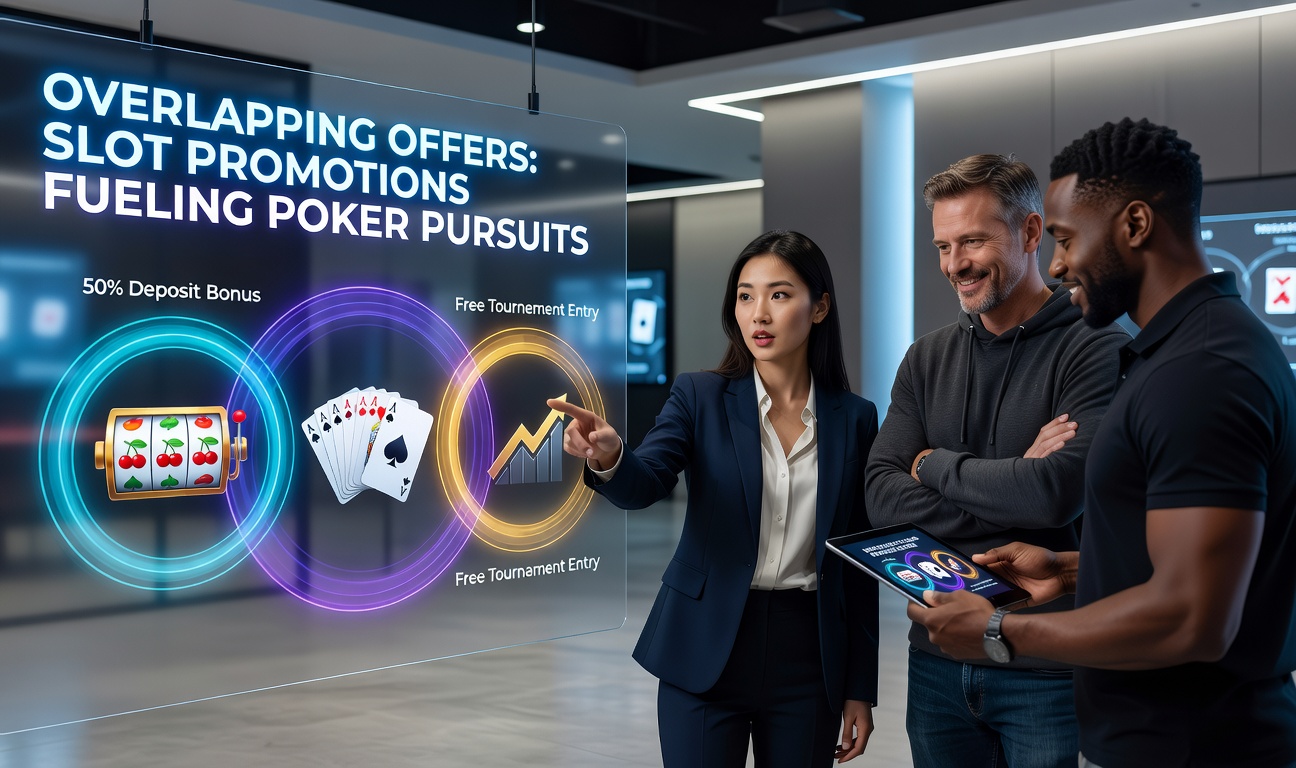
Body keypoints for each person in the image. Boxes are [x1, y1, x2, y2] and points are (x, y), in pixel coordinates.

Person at [911, 118, 1296, 767]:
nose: (1058, 264)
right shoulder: (1180, 354)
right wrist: (1067, 569)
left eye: (1066, 239)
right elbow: (1190, 562)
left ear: (1135, 224)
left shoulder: (1201, 373)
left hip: (1195, 746)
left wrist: (1000, 630)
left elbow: (1191, 618)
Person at [550, 230, 879, 766]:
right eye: (746, 296)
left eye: (779, 294)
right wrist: (610, 457)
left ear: (819, 307)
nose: (759, 314)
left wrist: (859, 685)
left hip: (808, 657)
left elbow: (857, 559)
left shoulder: (855, 417)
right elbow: (647, 481)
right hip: (703, 645)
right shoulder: (699, 395)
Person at [864, 154, 1129, 768]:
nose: (955, 264)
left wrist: (929, 464)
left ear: (1031, 232)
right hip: (936, 657)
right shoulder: (925, 357)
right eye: (943, 245)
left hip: (1048, 668)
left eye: (974, 241)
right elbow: (879, 495)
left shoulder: (1096, 346)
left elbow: (1054, 494)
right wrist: (1015, 479)